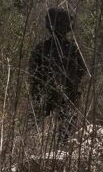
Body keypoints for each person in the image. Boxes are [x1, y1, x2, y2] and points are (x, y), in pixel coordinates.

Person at [29, 8, 87, 137]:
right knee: (65, 128)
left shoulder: (42, 48)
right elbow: (82, 71)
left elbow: (33, 73)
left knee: (34, 122)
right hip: (65, 94)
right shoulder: (72, 48)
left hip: (47, 94)